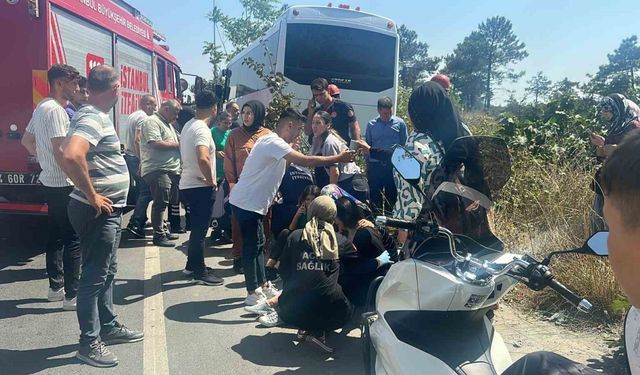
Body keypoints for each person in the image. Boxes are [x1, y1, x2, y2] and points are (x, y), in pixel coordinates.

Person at [229, 107, 356, 306]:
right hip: (246, 203)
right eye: (297, 129)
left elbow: (282, 168)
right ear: (289, 125)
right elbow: (307, 161)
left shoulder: (274, 143)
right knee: (252, 248)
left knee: (260, 244)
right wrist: (338, 158)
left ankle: (263, 284)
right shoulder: (273, 141)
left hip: (254, 203)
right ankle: (252, 291)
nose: (299, 134)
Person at [62, 65, 143, 368]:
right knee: (94, 276)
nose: (122, 91)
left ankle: (107, 327)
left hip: (107, 209)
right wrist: (92, 194)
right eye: (121, 86)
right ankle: (89, 343)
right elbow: (70, 154)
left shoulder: (92, 115)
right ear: (114, 88)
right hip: (96, 210)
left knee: (107, 271)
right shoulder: (91, 116)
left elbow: (63, 152)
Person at [253, 196, 352, 352]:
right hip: (333, 309)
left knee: (304, 292)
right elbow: (356, 262)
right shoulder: (340, 240)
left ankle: (304, 327)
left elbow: (284, 270)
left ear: (311, 212)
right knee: (344, 302)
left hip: (291, 311)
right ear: (333, 215)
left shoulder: (295, 236)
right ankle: (319, 332)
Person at [20, 64, 81, 310]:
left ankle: (56, 287)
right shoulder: (57, 110)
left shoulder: (41, 107)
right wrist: (79, 181)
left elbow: (26, 141)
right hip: (64, 183)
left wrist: (43, 158)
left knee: (55, 236)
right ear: (59, 83)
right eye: (73, 83)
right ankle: (72, 295)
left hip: (49, 181)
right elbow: (61, 151)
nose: (77, 88)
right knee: (73, 239)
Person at [393, 82, 466, 243]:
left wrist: (403, 238)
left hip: (429, 239)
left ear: (414, 112)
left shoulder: (413, 147)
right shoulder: (459, 138)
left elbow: (409, 204)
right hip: (463, 230)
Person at [178, 91, 224, 286]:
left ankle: (191, 265)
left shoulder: (189, 125)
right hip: (200, 186)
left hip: (189, 184)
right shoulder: (202, 129)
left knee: (196, 228)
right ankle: (199, 271)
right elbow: (203, 157)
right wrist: (211, 180)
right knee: (200, 230)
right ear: (214, 108)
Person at [224, 100, 272, 273]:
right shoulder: (234, 135)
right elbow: (229, 160)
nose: (246, 116)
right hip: (241, 187)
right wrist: (231, 183)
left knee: (263, 224)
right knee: (238, 224)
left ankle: (260, 259)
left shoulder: (267, 135)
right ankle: (238, 257)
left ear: (258, 114)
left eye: (250, 113)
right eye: (244, 112)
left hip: (261, 188)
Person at [590, 94, 640, 233]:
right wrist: (602, 146)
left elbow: (633, 153)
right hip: (608, 181)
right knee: (598, 219)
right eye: (604, 112)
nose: (605, 115)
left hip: (625, 185)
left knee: (618, 224)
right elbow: (605, 156)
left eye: (608, 112)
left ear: (618, 110)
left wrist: (612, 148)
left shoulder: (633, 127)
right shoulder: (615, 127)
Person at [334, 197, 396, 306]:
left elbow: (357, 267)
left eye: (337, 218)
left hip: (368, 287)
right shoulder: (356, 230)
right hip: (371, 280)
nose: (335, 221)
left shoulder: (362, 235)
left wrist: (378, 262)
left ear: (344, 217)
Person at [140, 99, 183, 247]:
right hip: (158, 169)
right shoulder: (152, 121)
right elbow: (154, 143)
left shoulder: (167, 124)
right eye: (175, 113)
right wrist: (177, 145)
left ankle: (163, 230)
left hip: (168, 169)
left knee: (165, 202)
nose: (176, 117)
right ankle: (158, 235)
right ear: (166, 109)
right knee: (160, 202)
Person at [358, 96, 408, 215]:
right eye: (385, 113)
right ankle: (377, 222)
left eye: (389, 112)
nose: (387, 115)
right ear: (379, 110)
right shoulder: (371, 125)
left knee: (392, 196)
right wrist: (368, 164)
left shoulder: (400, 124)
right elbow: (367, 146)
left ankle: (392, 224)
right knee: (375, 196)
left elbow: (404, 145)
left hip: (392, 165)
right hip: (375, 166)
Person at [265, 184, 321, 279]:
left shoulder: (320, 211)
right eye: (307, 199)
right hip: (297, 235)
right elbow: (291, 228)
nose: (310, 202)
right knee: (285, 232)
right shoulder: (302, 209)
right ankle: (271, 263)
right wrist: (297, 215)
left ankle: (278, 266)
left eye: (313, 199)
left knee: (291, 237)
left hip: (310, 238)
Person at [311, 111, 368, 201]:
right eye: (313, 122)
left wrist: (330, 197)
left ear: (328, 125)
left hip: (351, 185)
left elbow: (335, 172)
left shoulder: (329, 142)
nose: (314, 126)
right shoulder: (319, 140)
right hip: (351, 183)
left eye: (318, 123)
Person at [123, 94, 157, 238]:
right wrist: (142, 160)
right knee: (147, 192)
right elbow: (137, 140)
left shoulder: (133, 115)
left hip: (130, 156)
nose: (155, 109)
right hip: (136, 158)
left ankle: (140, 218)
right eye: (153, 105)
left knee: (141, 190)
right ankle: (135, 223)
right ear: (146, 104)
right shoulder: (143, 118)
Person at [305, 78, 361, 145]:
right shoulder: (316, 111)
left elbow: (354, 128)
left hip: (341, 148)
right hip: (321, 151)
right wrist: (310, 113)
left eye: (322, 94)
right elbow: (307, 132)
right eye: (316, 96)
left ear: (328, 91)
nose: (319, 98)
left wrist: (354, 148)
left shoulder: (343, 107)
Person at [168, 108, 195, 234]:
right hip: (179, 167)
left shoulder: (174, 127)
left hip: (179, 167)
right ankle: (181, 224)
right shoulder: (182, 128)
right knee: (181, 198)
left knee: (177, 198)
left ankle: (179, 224)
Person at [209, 111, 233, 243]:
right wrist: (216, 153)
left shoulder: (230, 134)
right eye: (225, 123)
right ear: (219, 122)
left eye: (230, 123)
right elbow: (206, 149)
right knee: (216, 203)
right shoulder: (212, 132)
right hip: (215, 171)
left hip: (227, 172)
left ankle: (226, 229)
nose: (228, 126)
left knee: (225, 203)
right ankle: (216, 228)